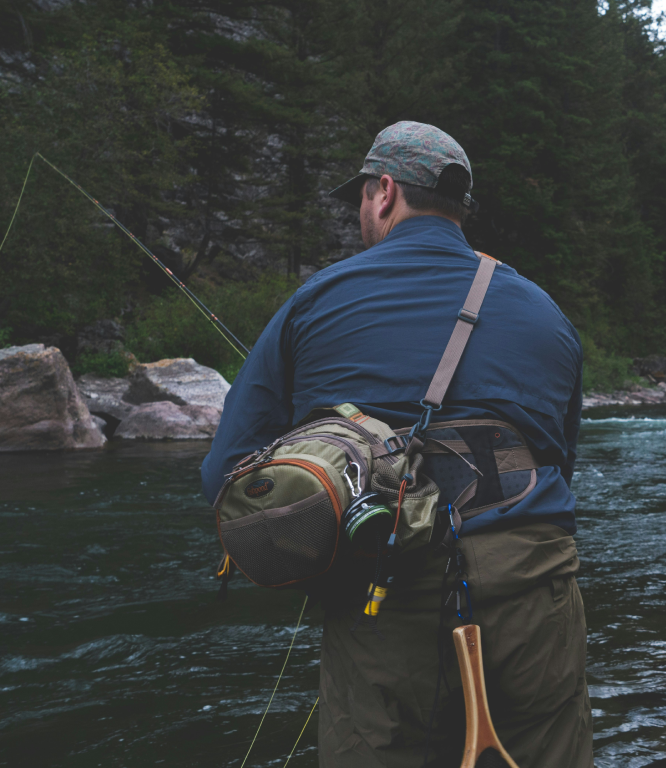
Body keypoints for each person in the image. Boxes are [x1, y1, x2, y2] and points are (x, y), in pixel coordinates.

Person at [201, 121, 592, 768]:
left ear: (383, 192)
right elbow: (563, 465)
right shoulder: (546, 315)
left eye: (361, 196)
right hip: (531, 584)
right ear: (459, 209)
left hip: (378, 586)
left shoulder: (316, 300)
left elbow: (226, 476)